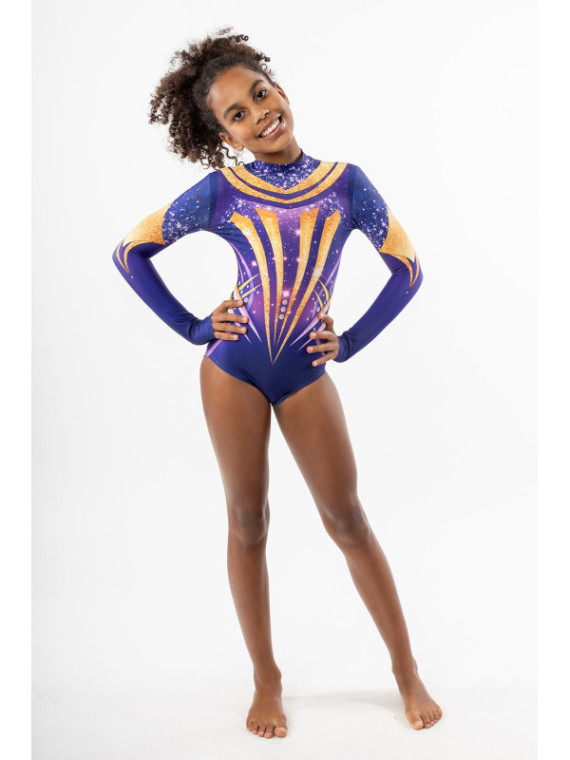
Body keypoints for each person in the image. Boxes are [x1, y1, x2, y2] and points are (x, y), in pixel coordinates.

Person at [112, 26, 442, 739]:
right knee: (247, 521)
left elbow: (408, 270)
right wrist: (193, 327)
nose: (260, 114)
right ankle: (266, 677)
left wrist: (349, 342)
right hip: (231, 370)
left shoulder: (347, 184)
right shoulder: (222, 191)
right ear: (225, 136)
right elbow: (131, 251)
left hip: (303, 371)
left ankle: (406, 670)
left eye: (261, 95)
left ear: (280, 88)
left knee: (346, 519)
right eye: (238, 114)